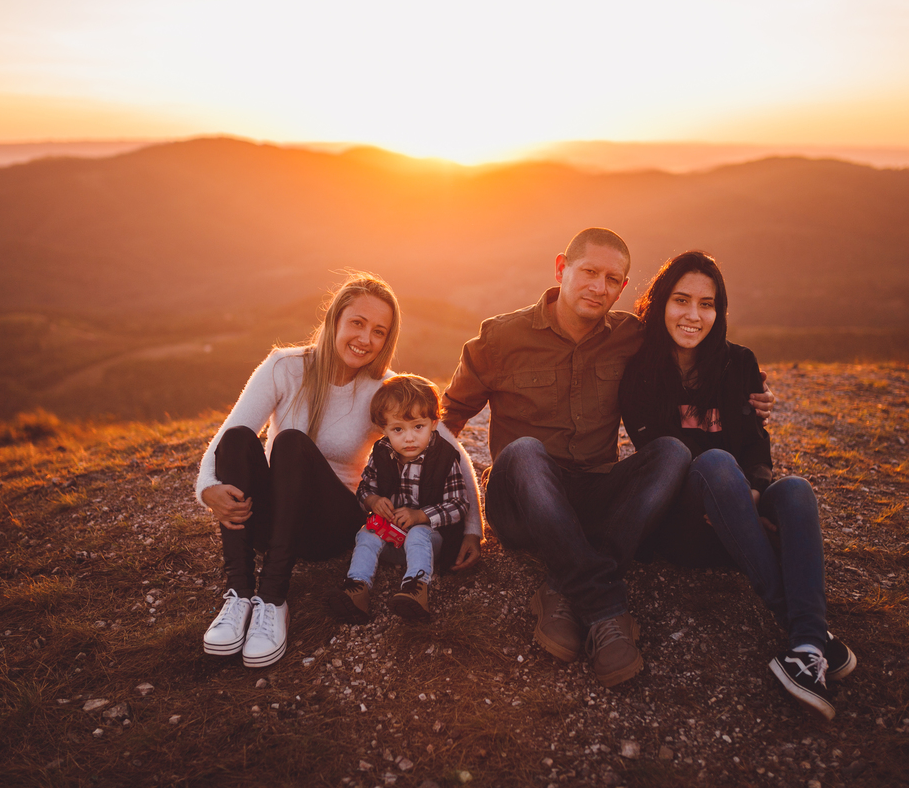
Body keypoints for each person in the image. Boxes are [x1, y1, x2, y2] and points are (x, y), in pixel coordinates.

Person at [442, 228, 775, 688]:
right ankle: (605, 606)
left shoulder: (632, 337)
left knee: (672, 452)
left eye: (613, 279)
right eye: (589, 272)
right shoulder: (501, 338)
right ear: (562, 268)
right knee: (524, 452)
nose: (600, 287)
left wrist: (750, 393)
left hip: (595, 493)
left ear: (624, 287)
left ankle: (563, 586)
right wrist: (460, 518)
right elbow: (446, 420)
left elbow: (696, 359)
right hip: (522, 500)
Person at [195, 273, 482, 668]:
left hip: (327, 525)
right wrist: (207, 487)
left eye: (379, 332)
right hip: (269, 520)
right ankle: (239, 594)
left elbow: (448, 446)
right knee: (238, 439)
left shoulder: (383, 389)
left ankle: (273, 598)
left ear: (387, 340)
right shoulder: (285, 367)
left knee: (292, 442)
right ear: (335, 320)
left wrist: (472, 527)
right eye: (357, 323)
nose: (365, 338)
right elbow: (229, 432)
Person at [619, 250, 856, 719]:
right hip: (684, 524)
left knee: (794, 490)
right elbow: (667, 454)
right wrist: (729, 483)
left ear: (718, 311)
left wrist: (751, 489)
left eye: (706, 304)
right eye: (681, 300)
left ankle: (806, 649)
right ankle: (798, 623)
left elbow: (756, 443)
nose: (693, 315)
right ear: (661, 302)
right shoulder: (638, 370)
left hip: (738, 518)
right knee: (714, 462)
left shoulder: (740, 364)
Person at [332, 374, 468, 622]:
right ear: (384, 430)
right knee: (367, 532)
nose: (409, 437)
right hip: (391, 539)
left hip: (431, 543)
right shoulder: (382, 452)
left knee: (418, 532)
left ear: (434, 423)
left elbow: (459, 505)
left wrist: (421, 515)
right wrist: (372, 501)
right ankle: (357, 588)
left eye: (418, 426)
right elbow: (364, 488)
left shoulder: (445, 458)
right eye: (398, 429)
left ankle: (416, 590)